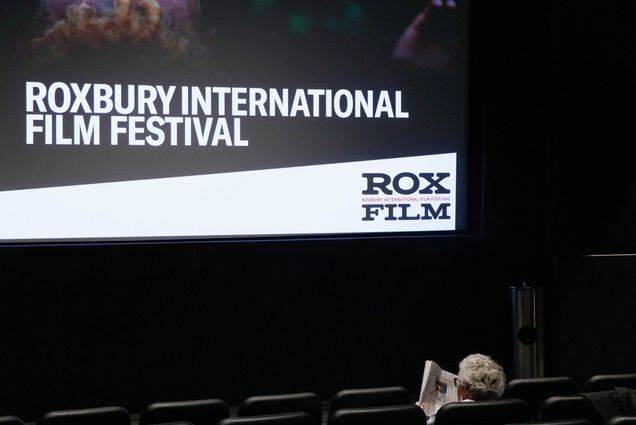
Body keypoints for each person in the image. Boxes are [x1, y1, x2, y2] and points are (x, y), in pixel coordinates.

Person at [418, 353, 506, 424]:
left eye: (458, 383)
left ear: (467, 389)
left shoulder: (451, 411)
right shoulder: (501, 409)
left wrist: (420, 413)